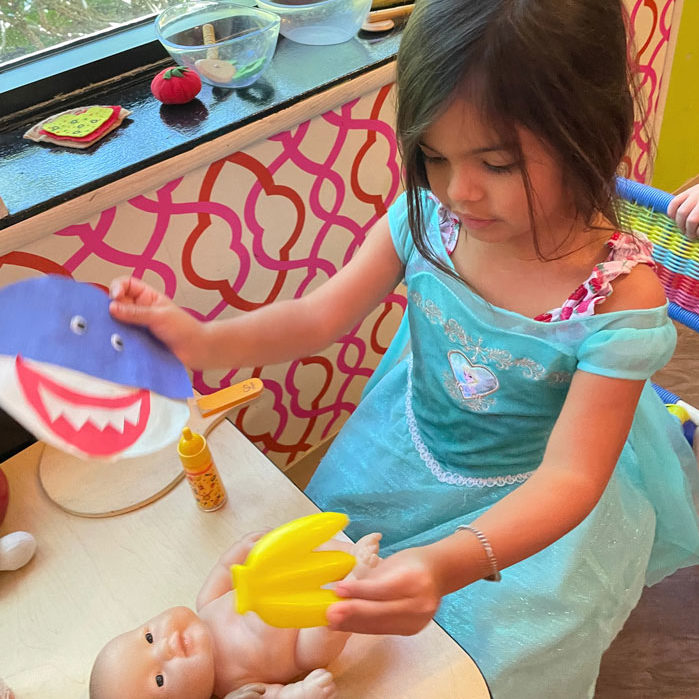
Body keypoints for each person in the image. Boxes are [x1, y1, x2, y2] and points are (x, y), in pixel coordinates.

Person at [109, 1, 699, 695]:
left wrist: (450, 563)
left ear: (587, 133)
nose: (458, 190)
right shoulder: (427, 215)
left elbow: (569, 478)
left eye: (497, 162)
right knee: (332, 585)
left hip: (527, 502)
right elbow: (316, 317)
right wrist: (202, 340)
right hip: (402, 448)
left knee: (491, 662)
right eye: (433, 156)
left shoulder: (617, 300)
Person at [89, 529, 381, 699]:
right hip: (301, 639)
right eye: (160, 679)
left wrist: (239, 551)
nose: (166, 647)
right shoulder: (232, 687)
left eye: (150, 637)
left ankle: (350, 554)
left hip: (282, 583)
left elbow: (226, 570)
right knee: (322, 634)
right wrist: (303, 691)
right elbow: (274, 696)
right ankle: (355, 584)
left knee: (284, 553)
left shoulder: (205, 603)